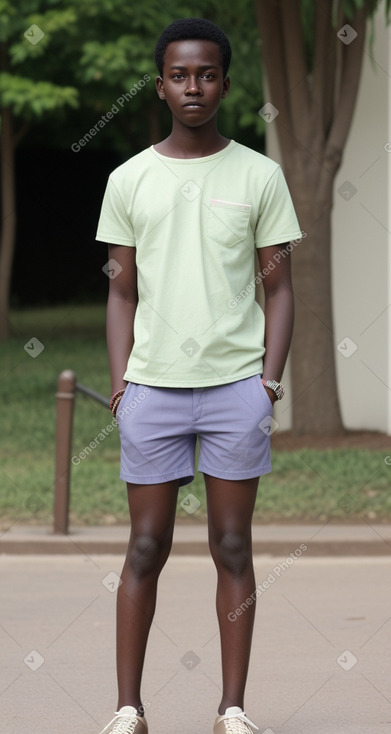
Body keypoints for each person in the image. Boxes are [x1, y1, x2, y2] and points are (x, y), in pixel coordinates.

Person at [96, 16, 301, 734]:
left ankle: (231, 708)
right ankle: (129, 708)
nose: (193, 86)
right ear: (159, 87)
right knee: (145, 546)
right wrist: (122, 386)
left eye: (206, 73)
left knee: (232, 545)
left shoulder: (258, 175)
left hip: (233, 390)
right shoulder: (128, 179)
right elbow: (120, 292)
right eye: (180, 75)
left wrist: (266, 385)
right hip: (152, 390)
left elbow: (278, 289)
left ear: (223, 82)